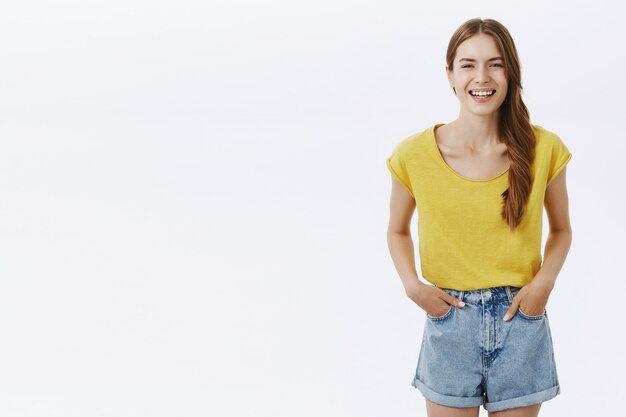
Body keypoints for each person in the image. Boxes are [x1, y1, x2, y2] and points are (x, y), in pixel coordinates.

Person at [385, 18, 572, 417]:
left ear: (511, 72)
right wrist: (411, 286)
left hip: (520, 319)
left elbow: (562, 229)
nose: (481, 77)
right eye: (468, 64)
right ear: (450, 74)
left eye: (496, 64)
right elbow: (397, 230)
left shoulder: (545, 148)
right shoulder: (414, 154)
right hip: (450, 321)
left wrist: (544, 284)